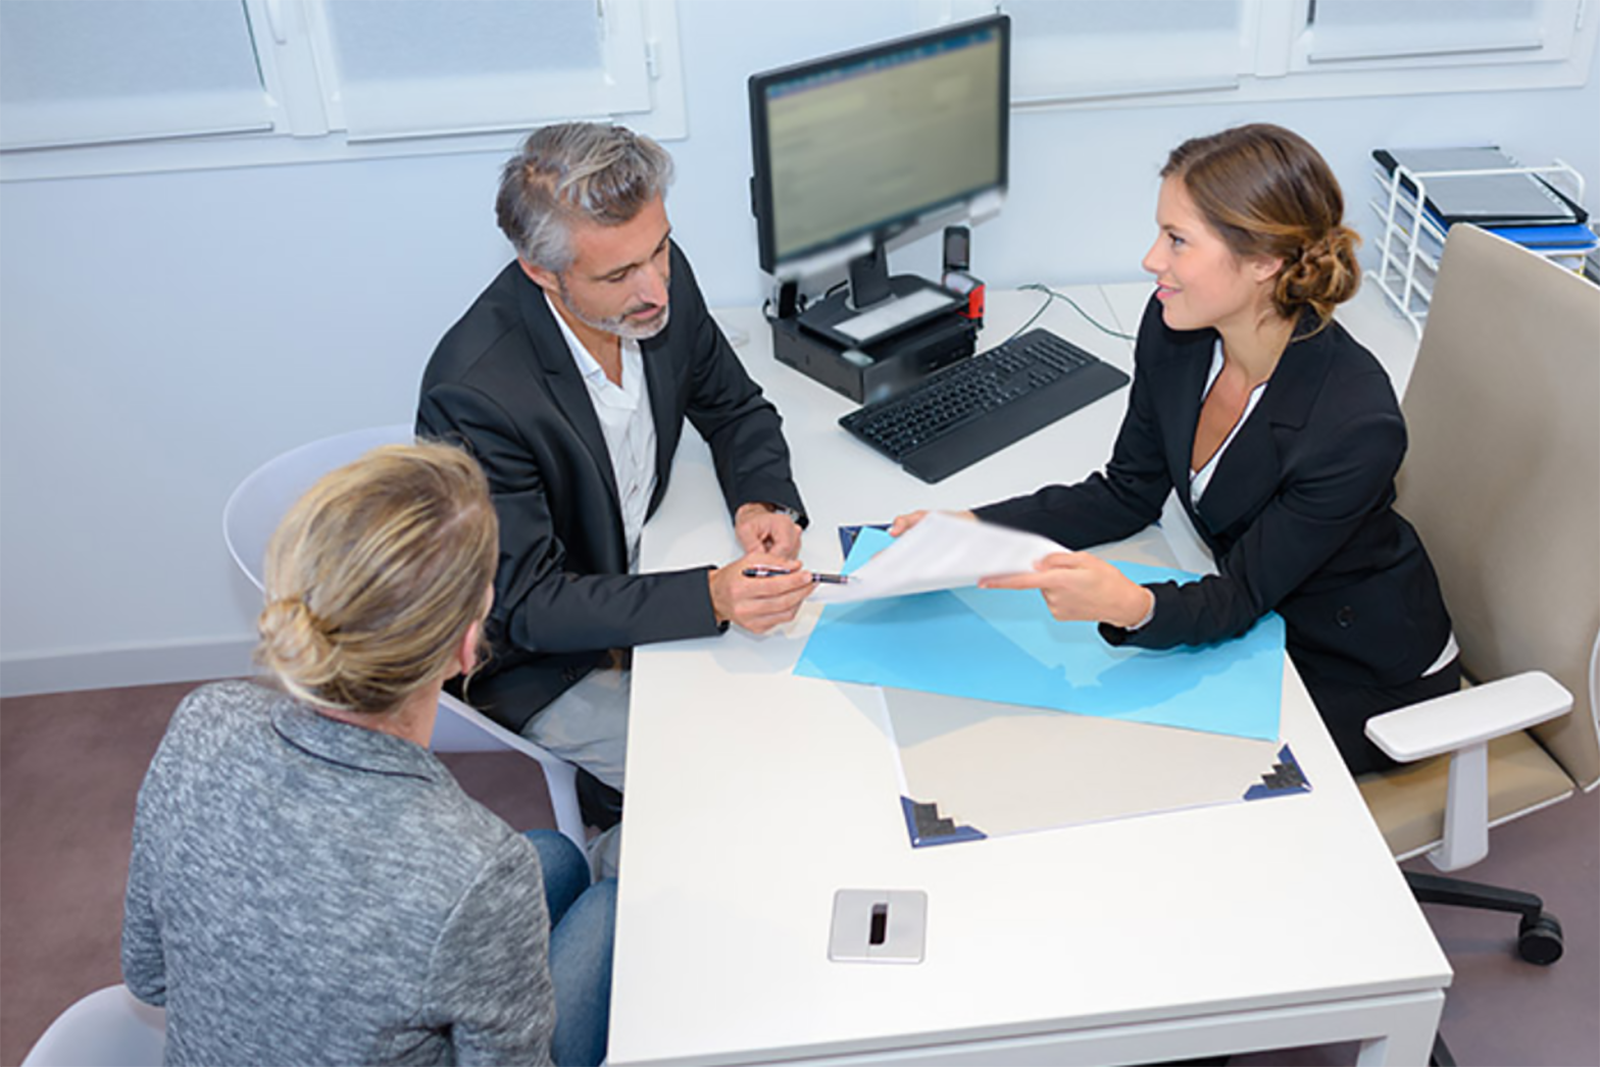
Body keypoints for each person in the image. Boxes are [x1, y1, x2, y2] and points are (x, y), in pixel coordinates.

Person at [892, 123, 1457, 777]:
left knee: (1132, 761)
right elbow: (1127, 490)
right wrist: (976, 526)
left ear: (1263, 261)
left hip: (1359, 669)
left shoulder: (1353, 422)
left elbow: (1240, 594)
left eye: (1178, 240)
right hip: (1261, 618)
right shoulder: (1178, 328)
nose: (1151, 259)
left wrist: (1132, 605)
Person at [122, 442, 616, 1067]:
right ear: (468, 647)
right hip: (464, 905)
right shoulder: (473, 866)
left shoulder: (201, 722)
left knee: (555, 858)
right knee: (608, 907)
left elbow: (149, 977)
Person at [417, 122, 814, 835]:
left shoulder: (655, 271)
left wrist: (763, 496)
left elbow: (734, 406)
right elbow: (528, 606)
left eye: (658, 249)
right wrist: (710, 596)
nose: (655, 288)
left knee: (797, 712)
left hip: (638, 568)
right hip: (539, 656)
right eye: (617, 275)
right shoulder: (474, 393)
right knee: (735, 775)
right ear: (541, 272)